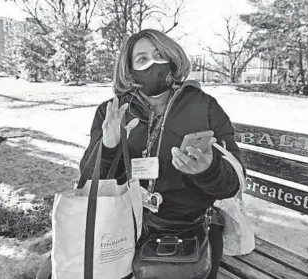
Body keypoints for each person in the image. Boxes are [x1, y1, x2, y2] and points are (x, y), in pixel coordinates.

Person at [37, 29, 242, 279]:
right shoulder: (113, 111)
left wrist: (208, 170)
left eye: (159, 55)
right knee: (49, 273)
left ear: (172, 59)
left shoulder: (204, 106)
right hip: (121, 221)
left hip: (187, 228)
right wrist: (109, 147)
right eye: (142, 59)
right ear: (130, 70)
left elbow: (232, 184)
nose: (153, 63)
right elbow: (90, 182)